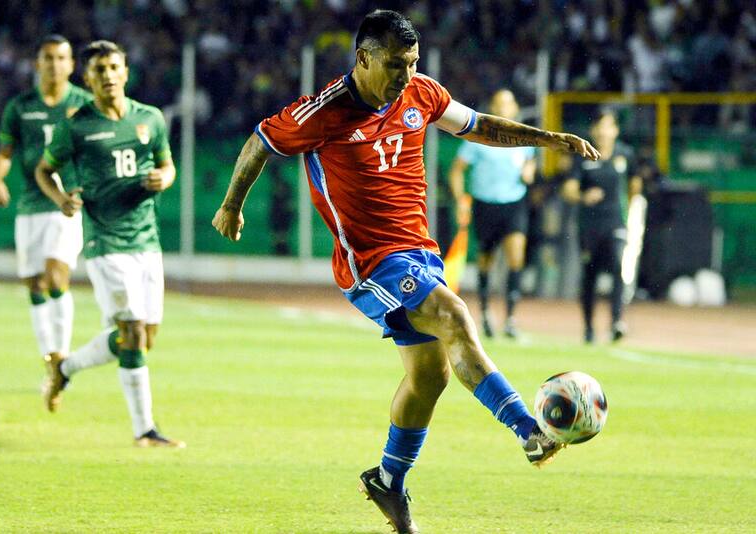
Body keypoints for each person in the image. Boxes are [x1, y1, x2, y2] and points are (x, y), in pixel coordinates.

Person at [212, 11, 599, 533]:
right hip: (369, 260)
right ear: (364, 58)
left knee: (430, 376)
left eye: (413, 63)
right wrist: (232, 205)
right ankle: (529, 431)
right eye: (396, 64)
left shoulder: (422, 94)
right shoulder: (323, 111)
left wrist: (548, 138)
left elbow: (479, 125)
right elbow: (261, 141)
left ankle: (388, 481)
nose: (406, 75)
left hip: (419, 251)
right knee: (455, 316)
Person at [35, 40, 184, 448]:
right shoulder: (76, 125)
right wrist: (62, 198)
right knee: (132, 333)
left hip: (147, 241)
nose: (108, 75)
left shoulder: (149, 118)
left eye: (114, 67)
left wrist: (164, 179)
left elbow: (167, 163)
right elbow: (44, 171)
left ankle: (65, 369)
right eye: (99, 70)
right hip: (106, 242)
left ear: (126, 72)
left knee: (141, 338)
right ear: (88, 78)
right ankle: (145, 430)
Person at [0, 35, 92, 368]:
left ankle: (61, 356)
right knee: (34, 284)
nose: (55, 64)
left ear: (72, 65)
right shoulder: (20, 107)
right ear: (37, 64)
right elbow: (5, 151)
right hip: (31, 204)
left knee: (56, 276)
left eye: (62, 58)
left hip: (65, 203)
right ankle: (48, 355)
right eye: (48, 58)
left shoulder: (85, 104)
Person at [448, 89, 536, 339]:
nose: (503, 108)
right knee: (486, 260)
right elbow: (456, 171)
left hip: (514, 204)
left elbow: (530, 163)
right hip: (485, 205)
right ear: (492, 108)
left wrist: (530, 170)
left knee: (515, 257)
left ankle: (510, 319)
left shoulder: (523, 138)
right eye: (499, 104)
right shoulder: (478, 138)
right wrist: (460, 200)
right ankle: (485, 313)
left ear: (515, 108)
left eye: (508, 103)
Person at [561, 110, 642, 344]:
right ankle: (588, 327)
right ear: (594, 131)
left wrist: (628, 205)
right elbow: (568, 189)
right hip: (589, 224)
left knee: (618, 267)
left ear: (615, 130)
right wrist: (583, 195)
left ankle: (617, 321)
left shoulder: (625, 154)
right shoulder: (582, 156)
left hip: (616, 222)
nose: (604, 132)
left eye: (609, 127)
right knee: (590, 275)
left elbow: (635, 184)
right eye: (600, 127)